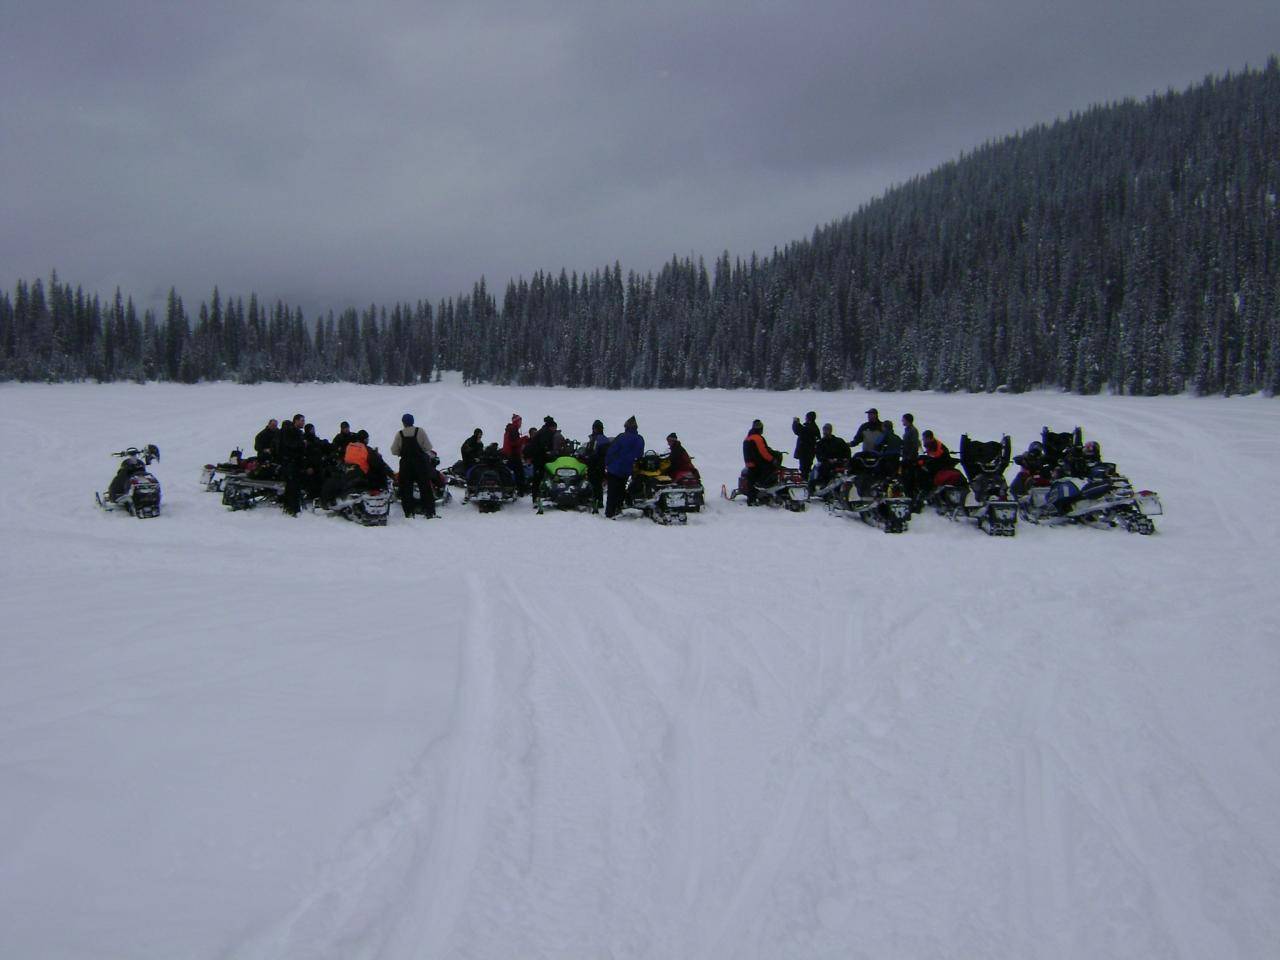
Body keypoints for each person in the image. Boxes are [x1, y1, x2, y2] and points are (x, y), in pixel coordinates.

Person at [391, 413, 436, 519]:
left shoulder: (400, 434)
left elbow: (394, 450)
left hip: (406, 464)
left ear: (403, 423)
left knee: (406, 488)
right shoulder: (420, 431)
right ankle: (429, 511)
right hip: (420, 464)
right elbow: (428, 447)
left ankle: (409, 512)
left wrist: (401, 453)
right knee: (425, 487)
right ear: (413, 421)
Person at [604, 415, 644, 517]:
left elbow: (611, 451)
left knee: (612, 491)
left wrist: (607, 463)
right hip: (627, 469)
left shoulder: (621, 437)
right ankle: (618, 507)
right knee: (621, 489)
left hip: (615, 468)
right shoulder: (639, 439)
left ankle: (610, 512)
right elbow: (639, 454)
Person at [742, 419, 779, 504]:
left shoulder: (748, 438)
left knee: (751, 481)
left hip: (750, 463)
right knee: (771, 472)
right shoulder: (757, 438)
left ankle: (752, 498)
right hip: (758, 464)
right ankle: (766, 491)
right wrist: (772, 459)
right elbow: (763, 452)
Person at [278, 413, 307, 515]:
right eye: (302, 421)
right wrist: (301, 444)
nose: (303, 423)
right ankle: (291, 508)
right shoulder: (288, 432)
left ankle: (292, 507)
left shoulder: (299, 432)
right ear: (296, 421)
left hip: (297, 463)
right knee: (292, 486)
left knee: (295, 486)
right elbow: (289, 445)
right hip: (290, 463)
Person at [579, 420, 610, 509]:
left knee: (594, 483)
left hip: (594, 464)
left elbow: (592, 452)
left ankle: (596, 500)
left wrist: (585, 457)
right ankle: (597, 500)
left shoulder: (597, 439)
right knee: (597, 484)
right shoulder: (603, 439)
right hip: (600, 464)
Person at [813, 423, 851, 491]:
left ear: (831, 430)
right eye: (824, 430)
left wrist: (845, 459)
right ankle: (822, 484)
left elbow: (847, 451)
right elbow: (819, 455)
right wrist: (827, 460)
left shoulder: (839, 441)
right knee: (820, 468)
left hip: (840, 463)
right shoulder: (820, 443)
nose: (825, 432)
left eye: (827, 430)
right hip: (827, 463)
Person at [791, 412, 820, 485]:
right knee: (805, 468)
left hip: (806, 453)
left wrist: (795, 423)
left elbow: (799, 430)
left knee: (805, 470)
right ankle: (806, 482)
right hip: (809, 452)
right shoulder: (813, 427)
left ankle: (806, 484)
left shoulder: (810, 428)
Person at [500, 414, 526, 495]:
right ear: (516, 422)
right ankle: (520, 491)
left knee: (509, 471)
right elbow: (514, 443)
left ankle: (509, 488)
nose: (521, 423)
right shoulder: (513, 430)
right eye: (520, 421)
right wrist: (523, 439)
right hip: (513, 454)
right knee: (519, 473)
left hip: (509, 454)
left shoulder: (510, 429)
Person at [899, 414, 921, 497]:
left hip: (910, 459)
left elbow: (915, 445)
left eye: (903, 420)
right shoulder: (908, 430)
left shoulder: (913, 430)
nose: (902, 421)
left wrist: (910, 456)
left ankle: (911, 495)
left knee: (909, 477)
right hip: (906, 457)